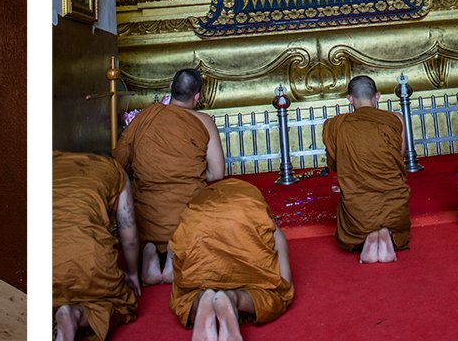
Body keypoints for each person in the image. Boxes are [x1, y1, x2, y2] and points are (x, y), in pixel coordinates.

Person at [113, 68, 225, 284]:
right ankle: (175, 253)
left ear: (170, 90)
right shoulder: (204, 122)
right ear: (197, 97)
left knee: (140, 210)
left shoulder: (144, 117)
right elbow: (216, 174)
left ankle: (151, 252)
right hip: (186, 214)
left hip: (147, 217)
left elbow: (118, 163)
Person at [168, 179, 293, 341]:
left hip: (197, 224)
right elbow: (285, 284)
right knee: (277, 297)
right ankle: (234, 299)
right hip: (244, 221)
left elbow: (176, 253)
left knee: (184, 297)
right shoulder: (258, 214)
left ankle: (201, 299)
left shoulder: (194, 209)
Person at [52, 151, 142, 341]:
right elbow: (129, 234)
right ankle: (75, 314)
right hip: (90, 259)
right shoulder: (114, 170)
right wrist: (133, 273)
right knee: (121, 304)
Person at [321, 75, 411, 263]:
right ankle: (385, 230)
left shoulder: (336, 125)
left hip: (358, 207)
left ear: (350, 98)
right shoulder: (396, 119)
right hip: (393, 202)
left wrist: (351, 179)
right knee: (385, 198)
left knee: (357, 197)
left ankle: (369, 234)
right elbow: (399, 159)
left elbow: (336, 164)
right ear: (377, 96)